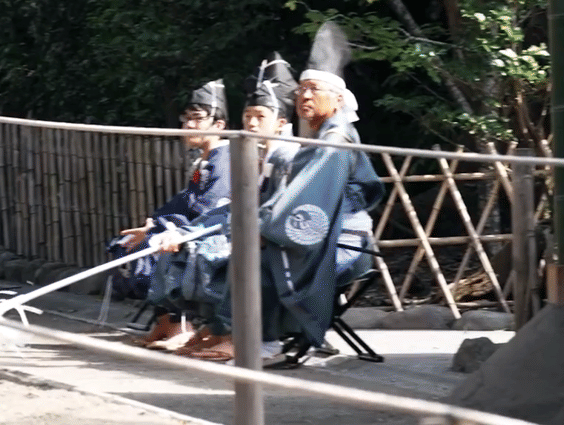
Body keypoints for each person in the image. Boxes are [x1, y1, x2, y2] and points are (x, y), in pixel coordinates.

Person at [145, 55, 300, 356]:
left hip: (285, 240)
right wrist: (179, 230)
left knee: (221, 256)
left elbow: (280, 210)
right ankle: (214, 328)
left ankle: (233, 332)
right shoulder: (256, 154)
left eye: (260, 116)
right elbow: (231, 208)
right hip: (248, 232)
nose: (252, 123)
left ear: (281, 122)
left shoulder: (287, 157)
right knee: (194, 251)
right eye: (248, 115)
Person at [249, 22, 384, 363]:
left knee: (262, 258)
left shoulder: (335, 140)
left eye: (314, 90)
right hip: (325, 230)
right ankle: (237, 334)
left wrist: (267, 226)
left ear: (337, 100)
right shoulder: (323, 135)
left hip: (344, 242)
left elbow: (309, 195)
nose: (304, 96)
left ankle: (268, 341)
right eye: (302, 90)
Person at [108, 79, 232, 347]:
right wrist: (153, 224)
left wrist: (160, 229)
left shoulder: (225, 162)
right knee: (128, 244)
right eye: (186, 118)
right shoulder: (205, 160)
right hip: (184, 228)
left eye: (197, 119)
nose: (188, 125)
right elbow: (182, 202)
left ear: (219, 126)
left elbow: (209, 209)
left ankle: (178, 325)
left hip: (211, 234)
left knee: (158, 250)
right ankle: (166, 323)